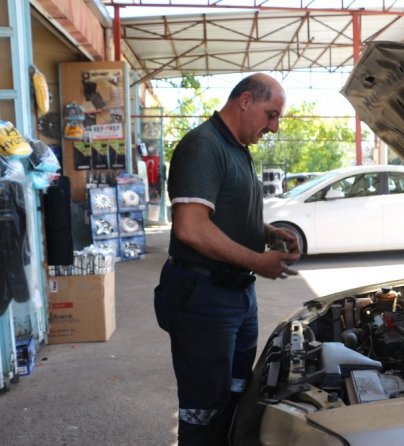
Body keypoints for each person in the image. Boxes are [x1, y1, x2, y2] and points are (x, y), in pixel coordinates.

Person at [154, 73, 300, 445]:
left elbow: (225, 209)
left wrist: (267, 232)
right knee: (204, 408)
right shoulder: (204, 146)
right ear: (246, 100)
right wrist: (256, 258)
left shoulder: (237, 147)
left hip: (235, 294)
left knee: (236, 390)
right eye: (271, 115)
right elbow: (191, 228)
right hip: (204, 297)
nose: (274, 127)